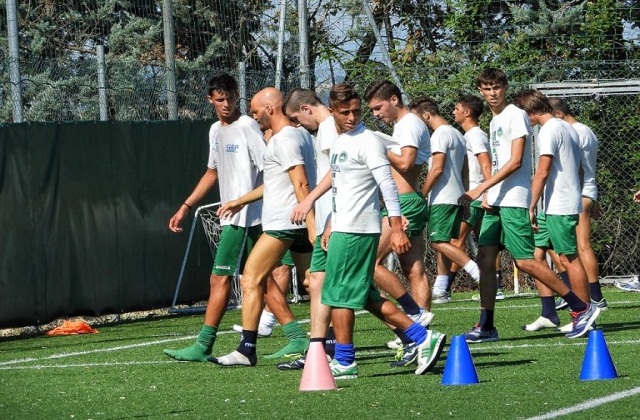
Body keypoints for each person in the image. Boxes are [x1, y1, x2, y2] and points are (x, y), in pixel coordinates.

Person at [297, 83, 445, 378]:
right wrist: (324, 215)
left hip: (358, 231)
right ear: (333, 111)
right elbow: (338, 179)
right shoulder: (341, 141)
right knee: (362, 294)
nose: (352, 117)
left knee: (337, 294)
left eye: (356, 111)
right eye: (345, 112)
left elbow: (387, 184)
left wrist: (396, 224)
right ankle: (419, 336)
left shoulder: (367, 141)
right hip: (342, 227)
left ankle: (345, 358)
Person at [458, 68, 600, 342]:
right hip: (496, 200)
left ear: (505, 87)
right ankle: (486, 325)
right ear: (480, 91)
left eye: (496, 86)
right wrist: (489, 193)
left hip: (513, 200)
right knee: (486, 260)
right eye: (486, 88)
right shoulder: (495, 121)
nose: (492, 92)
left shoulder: (516, 115)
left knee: (526, 261)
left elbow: (516, 162)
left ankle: (580, 307)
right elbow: (498, 162)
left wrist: (481, 187)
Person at [163, 74, 289, 362]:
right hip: (236, 215)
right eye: (220, 99)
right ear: (210, 100)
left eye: (231, 98)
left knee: (218, 279)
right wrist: (185, 206)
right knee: (262, 280)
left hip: (246, 217)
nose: (226, 104)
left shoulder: (246, 126)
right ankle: (295, 336)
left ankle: (203, 344)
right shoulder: (214, 131)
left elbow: (270, 169)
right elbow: (212, 172)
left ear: (237, 97)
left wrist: (244, 202)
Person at [210, 87, 316, 367]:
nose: (254, 118)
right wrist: (241, 200)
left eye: (256, 112)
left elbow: (301, 182)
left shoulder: (284, 140)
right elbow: (277, 181)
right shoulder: (301, 135)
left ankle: (246, 349)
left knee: (251, 278)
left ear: (270, 109)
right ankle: (324, 345)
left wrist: (312, 223)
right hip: (297, 221)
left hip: (285, 222)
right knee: (315, 283)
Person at [363, 80, 434, 352]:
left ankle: (412, 316)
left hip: (403, 203)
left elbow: (405, 162)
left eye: (378, 107)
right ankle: (422, 333)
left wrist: (377, 146)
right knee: (414, 270)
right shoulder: (402, 126)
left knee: (369, 262)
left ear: (394, 100)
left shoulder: (410, 124)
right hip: (408, 201)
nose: (376, 114)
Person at [513, 89, 593, 333]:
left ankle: (584, 313)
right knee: (536, 256)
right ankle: (549, 312)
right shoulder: (566, 126)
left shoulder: (549, 129)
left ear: (530, 111)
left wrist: (531, 205)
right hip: (554, 203)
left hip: (559, 203)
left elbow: (543, 171)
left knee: (570, 258)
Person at [276, 87, 339, 370]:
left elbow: (339, 173)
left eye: (297, 119)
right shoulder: (328, 128)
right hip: (331, 221)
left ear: (306, 110)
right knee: (319, 283)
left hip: (334, 222)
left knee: (328, 285)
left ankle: (415, 333)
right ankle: (322, 348)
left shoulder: (327, 128)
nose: (299, 126)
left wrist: (322, 214)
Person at [411, 97, 482, 295]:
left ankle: (476, 271)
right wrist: (466, 192)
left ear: (426, 115)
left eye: (418, 120)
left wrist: (422, 194)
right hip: (456, 195)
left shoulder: (439, 135)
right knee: (444, 243)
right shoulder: (458, 135)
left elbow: (437, 168)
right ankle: (441, 288)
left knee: (437, 242)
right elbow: (465, 169)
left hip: (443, 197)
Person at [431, 94, 497, 304]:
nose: (453, 112)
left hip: (476, 196)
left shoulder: (474, 135)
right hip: (472, 195)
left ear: (467, 112)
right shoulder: (467, 135)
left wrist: (487, 192)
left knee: (453, 241)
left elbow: (486, 164)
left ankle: (444, 288)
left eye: (456, 108)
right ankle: (492, 281)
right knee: (486, 243)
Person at [548, 97, 607, 311]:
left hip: (579, 193)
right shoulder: (587, 130)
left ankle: (595, 297)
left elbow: (580, 167)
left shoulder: (576, 132)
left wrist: (579, 195)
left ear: (560, 115)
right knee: (563, 246)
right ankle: (576, 292)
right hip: (587, 192)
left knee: (581, 247)